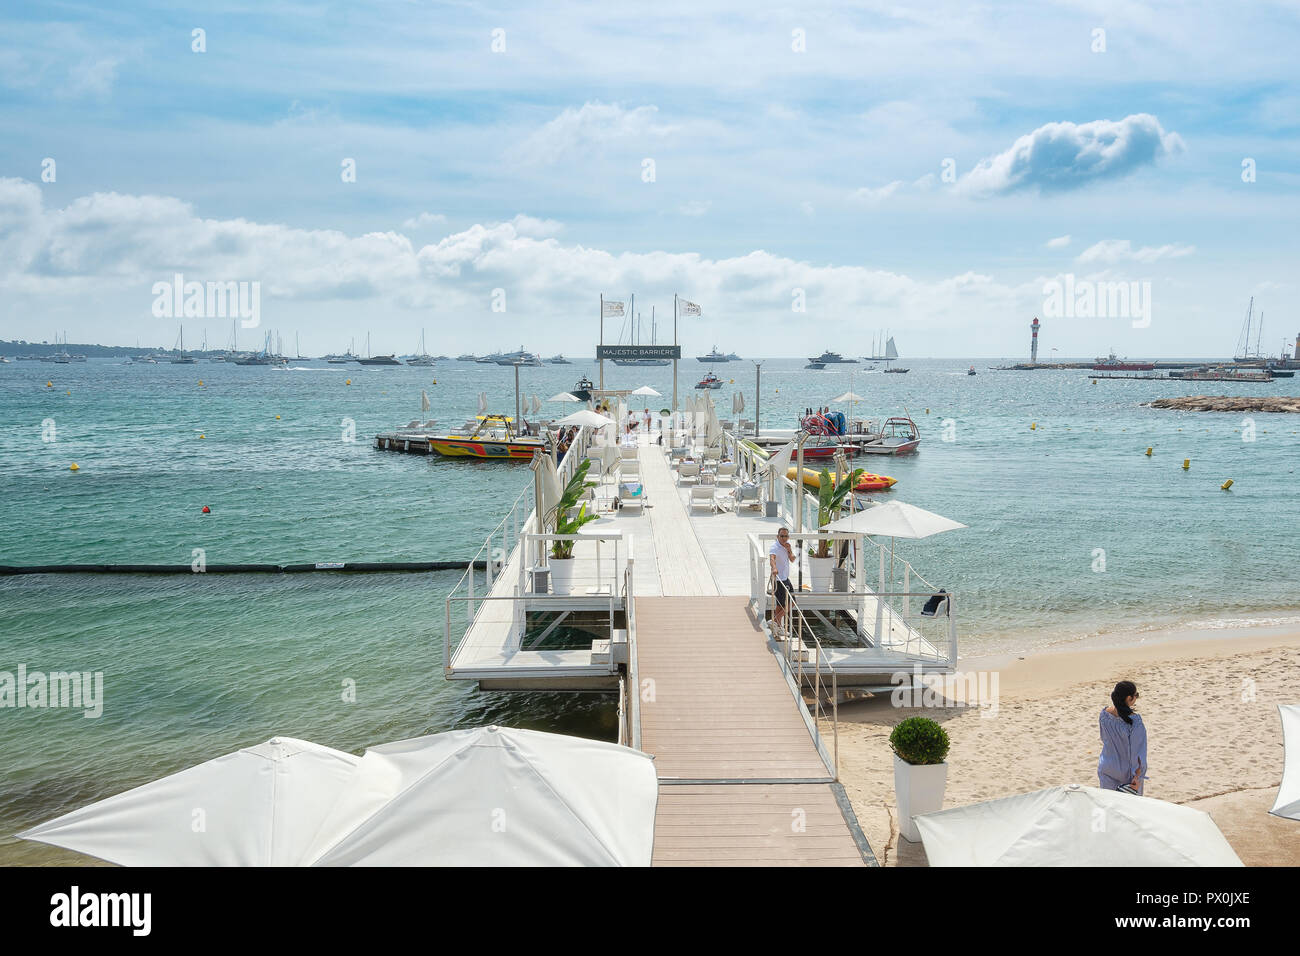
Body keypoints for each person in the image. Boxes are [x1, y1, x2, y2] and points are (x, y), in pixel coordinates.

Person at [1098, 680, 1147, 794]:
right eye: (1136, 695)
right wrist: (1137, 776)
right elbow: (1139, 753)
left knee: (1108, 806)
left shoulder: (1104, 714)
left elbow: (1104, 738)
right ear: (1129, 698)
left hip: (1106, 767)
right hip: (1127, 774)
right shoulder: (1135, 722)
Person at [768, 527, 795, 635]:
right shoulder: (775, 547)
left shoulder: (787, 546)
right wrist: (774, 568)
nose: (784, 538)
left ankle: (777, 626)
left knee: (780, 605)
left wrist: (789, 550)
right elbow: (772, 559)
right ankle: (775, 621)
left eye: (786, 536)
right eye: (782, 536)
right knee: (791, 603)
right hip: (779, 580)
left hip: (785, 578)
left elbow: (792, 559)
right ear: (777, 536)